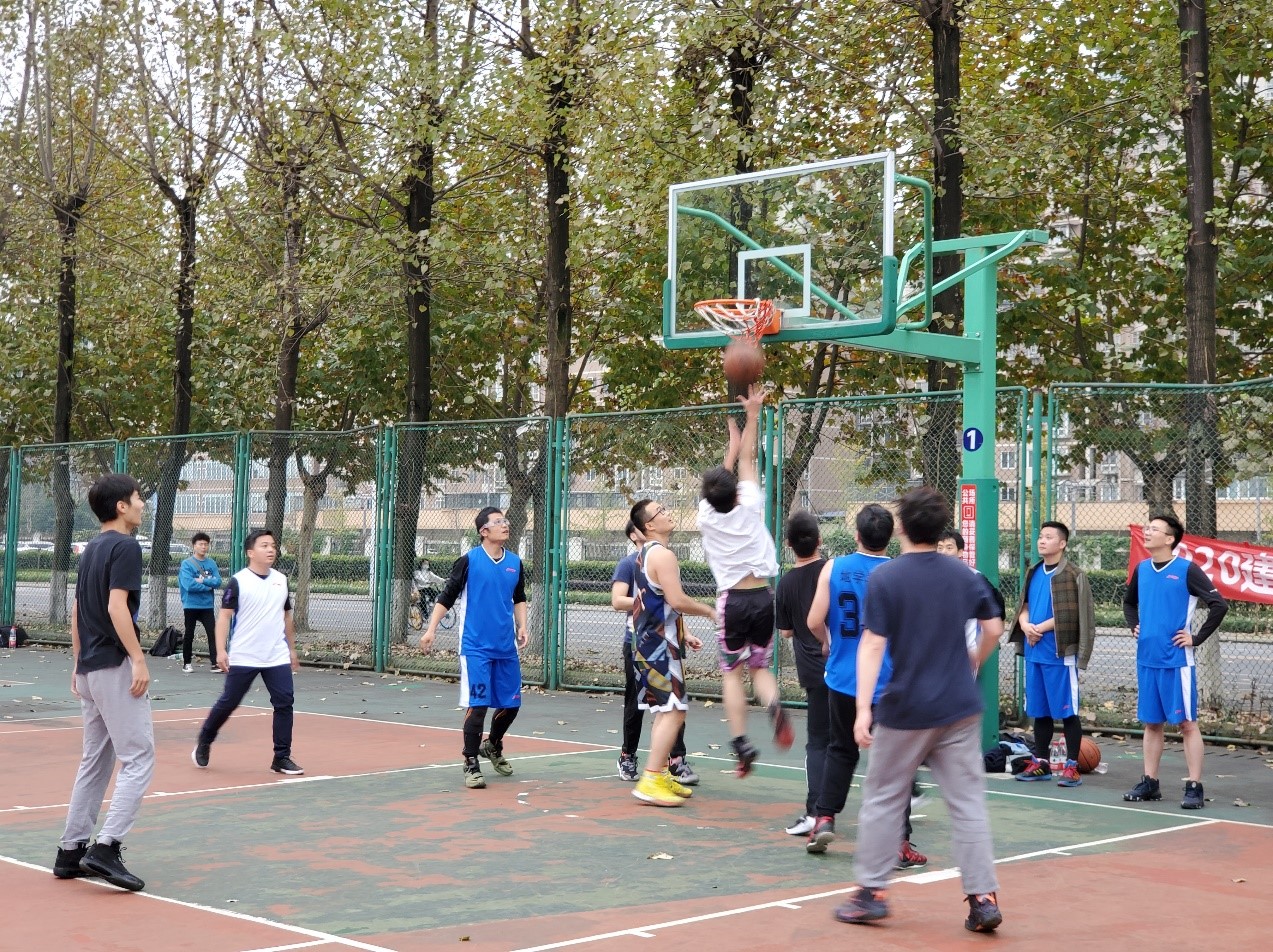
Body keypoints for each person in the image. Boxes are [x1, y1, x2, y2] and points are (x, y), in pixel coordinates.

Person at [834, 486, 1004, 933]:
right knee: (967, 803)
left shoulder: (886, 578)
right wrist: (975, 660)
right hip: (959, 706)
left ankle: (871, 893)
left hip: (907, 707)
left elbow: (873, 645)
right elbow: (993, 627)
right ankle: (983, 898)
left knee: (884, 797)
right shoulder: (964, 574)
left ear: (901, 528)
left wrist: (862, 709)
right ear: (940, 528)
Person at [804, 505, 924, 869]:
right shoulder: (900, 574)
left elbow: (814, 621)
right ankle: (900, 842)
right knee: (897, 762)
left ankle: (824, 818)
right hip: (888, 680)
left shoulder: (833, 567)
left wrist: (829, 643)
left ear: (856, 535)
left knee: (840, 750)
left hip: (844, 677)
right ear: (891, 537)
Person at [53, 473, 154, 892]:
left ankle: (70, 851)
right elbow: (116, 608)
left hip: (92, 668)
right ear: (121, 507)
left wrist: (78, 663)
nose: (143, 504)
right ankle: (106, 847)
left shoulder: (92, 548)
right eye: (138, 498)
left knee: (95, 761)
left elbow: (78, 609)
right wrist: (138, 658)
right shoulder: (126, 546)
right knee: (139, 757)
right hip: (114, 664)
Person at [696, 384, 791, 776]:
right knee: (760, 669)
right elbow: (749, 460)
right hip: (762, 597)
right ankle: (774, 706)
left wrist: (730, 452)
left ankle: (741, 742)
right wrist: (752, 416)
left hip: (731, 601)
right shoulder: (750, 504)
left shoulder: (705, 516)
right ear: (736, 493)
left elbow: (720, 483)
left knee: (731, 672)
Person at [1122, 513, 1227, 809]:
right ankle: (1150, 782)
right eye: (1147, 528)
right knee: (1152, 723)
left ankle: (1194, 786)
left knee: (1187, 724)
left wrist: (1196, 638)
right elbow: (1128, 603)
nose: (1147, 532)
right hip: (1147, 659)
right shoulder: (1142, 569)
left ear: (1170, 539)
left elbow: (1219, 605)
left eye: (1154, 529)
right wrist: (1134, 625)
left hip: (1176, 661)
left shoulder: (1186, 570)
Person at [419, 507, 529, 790]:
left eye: (505, 520)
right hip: (475, 647)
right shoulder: (469, 561)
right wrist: (431, 629)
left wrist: (522, 626)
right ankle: (470, 761)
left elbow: (519, 597)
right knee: (478, 705)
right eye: (498, 521)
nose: (505, 524)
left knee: (511, 704)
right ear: (484, 531)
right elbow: (447, 597)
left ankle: (492, 744)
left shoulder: (515, 563)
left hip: (505, 647)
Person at [192, 529, 303, 776]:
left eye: (273, 545)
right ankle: (205, 738)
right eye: (264, 545)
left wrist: (291, 649)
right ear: (250, 552)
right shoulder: (238, 581)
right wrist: (221, 650)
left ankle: (281, 757)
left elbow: (286, 616)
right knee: (230, 701)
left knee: (285, 702)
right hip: (245, 654)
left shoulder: (281, 580)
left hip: (276, 655)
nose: (271, 549)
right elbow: (224, 617)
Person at [627, 498, 715, 806]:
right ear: (649, 525)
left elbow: (661, 603)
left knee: (667, 711)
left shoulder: (644, 554)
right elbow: (677, 600)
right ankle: (651, 778)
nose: (667, 513)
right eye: (660, 511)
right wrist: (710, 611)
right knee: (675, 710)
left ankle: (660, 774)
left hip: (649, 644)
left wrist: (683, 633)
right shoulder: (662, 555)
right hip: (658, 647)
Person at [1006, 521, 1095, 787]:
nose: (1042, 541)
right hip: (1035, 652)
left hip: (1060, 654)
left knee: (1068, 711)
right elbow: (1024, 605)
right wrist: (1025, 625)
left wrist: (1039, 628)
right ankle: (1041, 763)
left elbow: (1075, 614)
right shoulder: (1033, 571)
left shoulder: (1073, 574)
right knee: (1040, 711)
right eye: (1040, 536)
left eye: (1048, 537)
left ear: (1062, 543)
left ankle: (1071, 766)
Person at [611, 520, 695, 785]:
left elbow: (674, 602)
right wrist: (645, 601)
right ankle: (628, 755)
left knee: (672, 703)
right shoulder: (628, 564)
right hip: (638, 642)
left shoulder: (663, 559)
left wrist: (686, 632)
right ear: (634, 534)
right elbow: (617, 600)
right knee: (637, 703)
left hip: (666, 641)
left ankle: (676, 760)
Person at [774, 510, 826, 836]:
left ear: (789, 545)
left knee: (819, 743)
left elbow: (786, 632)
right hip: (847, 668)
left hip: (813, 671)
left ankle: (816, 813)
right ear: (820, 540)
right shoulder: (833, 572)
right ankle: (907, 795)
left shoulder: (786, 583)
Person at [178, 531, 222, 672]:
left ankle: (215, 663)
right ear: (194, 546)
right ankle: (187, 663)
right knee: (189, 633)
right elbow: (189, 585)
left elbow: (218, 582)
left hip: (207, 605)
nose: (203, 547)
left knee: (213, 633)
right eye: (200, 544)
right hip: (190, 605)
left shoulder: (211, 563)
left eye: (206, 544)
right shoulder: (187, 564)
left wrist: (202, 581)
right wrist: (208, 586)